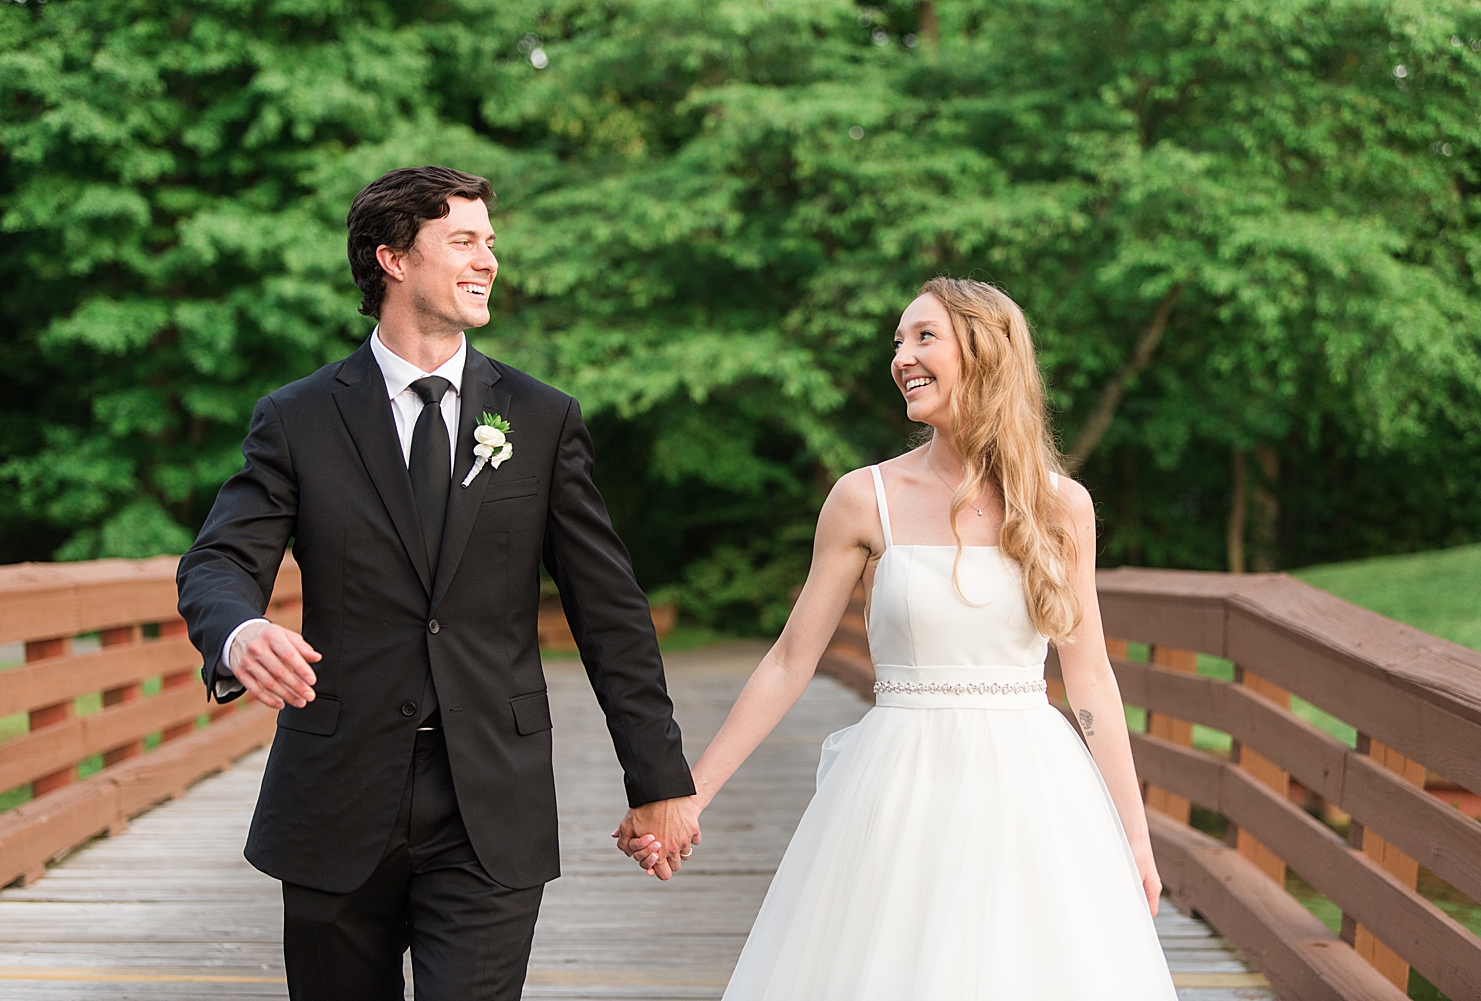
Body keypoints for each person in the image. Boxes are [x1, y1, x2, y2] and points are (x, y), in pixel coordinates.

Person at [176, 165, 700, 1001]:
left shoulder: (540, 417)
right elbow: (219, 560)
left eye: (490, 242)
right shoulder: (298, 417)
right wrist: (240, 632)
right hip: (336, 797)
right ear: (392, 257)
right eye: (463, 240)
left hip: (491, 798)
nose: (488, 258)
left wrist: (661, 779)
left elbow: (610, 610)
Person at [624, 277, 1178, 998]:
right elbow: (791, 661)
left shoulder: (1062, 506)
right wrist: (690, 796)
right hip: (900, 789)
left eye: (924, 337)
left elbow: (1092, 677)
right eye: (898, 341)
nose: (902, 357)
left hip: (1033, 794)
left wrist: (1132, 836)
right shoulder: (864, 497)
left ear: (984, 353)